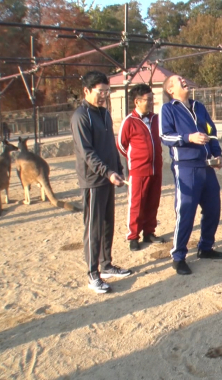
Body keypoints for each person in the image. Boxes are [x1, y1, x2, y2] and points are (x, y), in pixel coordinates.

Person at [71, 71, 132, 294]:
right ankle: (92, 273)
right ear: (86, 91)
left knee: (107, 223)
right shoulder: (81, 116)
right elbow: (87, 152)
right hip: (93, 181)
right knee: (93, 228)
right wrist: (107, 172)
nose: (104, 95)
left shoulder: (104, 113)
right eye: (100, 91)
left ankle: (106, 265)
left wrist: (118, 168)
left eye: (107, 91)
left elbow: (110, 144)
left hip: (108, 178)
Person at [160, 75, 222, 275]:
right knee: (186, 212)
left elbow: (211, 131)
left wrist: (217, 153)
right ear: (170, 90)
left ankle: (205, 247)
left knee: (213, 208)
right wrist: (188, 137)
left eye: (183, 78)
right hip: (186, 167)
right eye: (178, 80)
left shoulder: (199, 106)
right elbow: (164, 136)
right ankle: (178, 256)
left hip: (206, 166)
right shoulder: (168, 109)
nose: (183, 80)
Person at [117, 84, 164, 252]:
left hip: (156, 169)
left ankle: (149, 232)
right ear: (137, 101)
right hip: (138, 171)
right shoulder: (129, 122)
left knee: (153, 201)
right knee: (136, 204)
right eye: (147, 100)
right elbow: (121, 146)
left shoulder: (156, 119)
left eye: (152, 99)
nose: (151, 102)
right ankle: (133, 236)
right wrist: (136, 159)